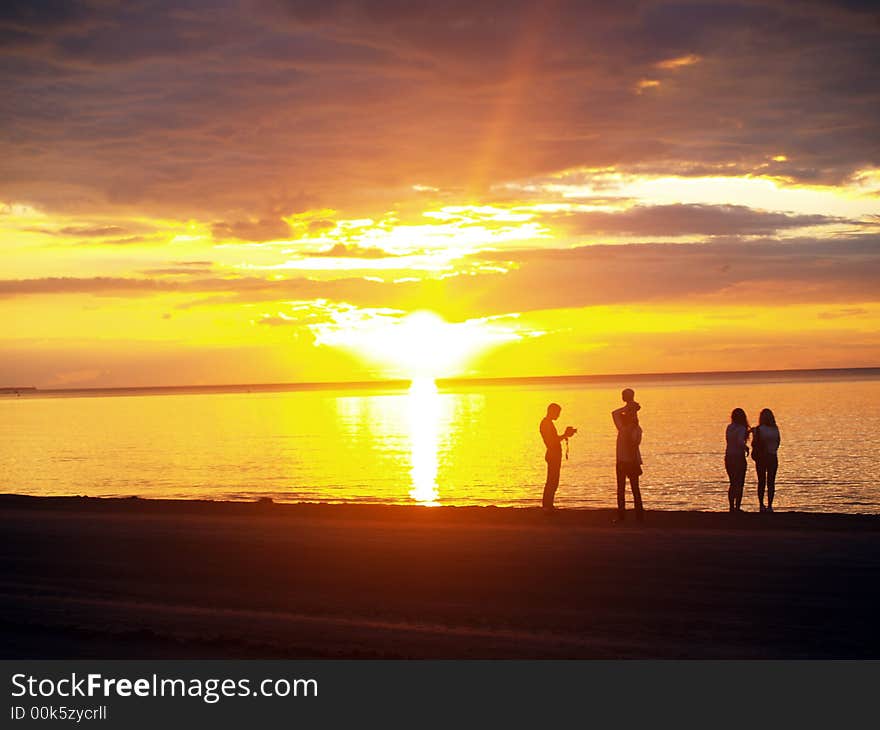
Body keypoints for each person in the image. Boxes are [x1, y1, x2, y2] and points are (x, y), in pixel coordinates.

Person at [611, 388, 644, 522]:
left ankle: (623, 516)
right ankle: (638, 516)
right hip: (631, 460)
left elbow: (614, 413)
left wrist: (627, 408)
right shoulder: (636, 429)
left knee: (622, 489)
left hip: (625, 461)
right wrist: (630, 407)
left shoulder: (625, 429)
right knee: (634, 489)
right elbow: (615, 413)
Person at [540, 403, 576, 510]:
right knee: (552, 481)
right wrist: (565, 435)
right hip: (552, 454)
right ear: (552, 411)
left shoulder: (548, 423)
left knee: (553, 481)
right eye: (557, 413)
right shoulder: (546, 423)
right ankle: (547, 506)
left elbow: (553, 439)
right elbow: (551, 441)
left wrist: (565, 435)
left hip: (554, 454)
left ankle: (548, 505)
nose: (558, 415)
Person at [752, 408, 781, 512]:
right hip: (773, 456)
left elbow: (754, 443)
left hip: (761, 458)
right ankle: (770, 505)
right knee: (771, 482)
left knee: (761, 482)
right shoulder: (775, 429)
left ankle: (761, 505)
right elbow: (778, 442)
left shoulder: (758, 429)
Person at [725, 408, 750, 512]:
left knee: (732, 482)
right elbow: (740, 440)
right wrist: (746, 448)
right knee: (739, 483)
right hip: (738, 457)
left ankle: (731, 507)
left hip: (729, 456)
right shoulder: (741, 428)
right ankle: (737, 507)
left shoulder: (729, 427)